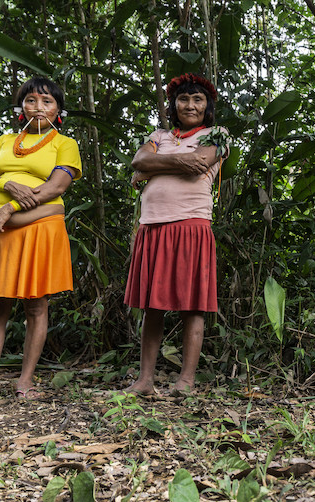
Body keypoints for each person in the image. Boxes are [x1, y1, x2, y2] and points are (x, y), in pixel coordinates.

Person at [0, 76, 82, 403]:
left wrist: (9, 208)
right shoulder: (3, 140)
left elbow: (56, 188)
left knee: (36, 305)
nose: (39, 107)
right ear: (21, 107)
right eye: (31, 100)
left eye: (47, 102)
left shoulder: (65, 143)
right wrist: (8, 185)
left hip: (38, 229)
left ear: (58, 109)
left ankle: (25, 382)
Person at [124, 73, 229, 396]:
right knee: (152, 305)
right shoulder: (160, 134)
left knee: (192, 305)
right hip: (153, 225)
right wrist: (174, 161)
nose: (190, 105)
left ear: (207, 105)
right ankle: (145, 381)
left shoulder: (218, 134)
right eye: (184, 99)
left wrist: (152, 168)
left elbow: (201, 161)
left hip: (191, 224)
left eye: (198, 99)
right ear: (174, 104)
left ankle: (185, 381)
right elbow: (138, 160)